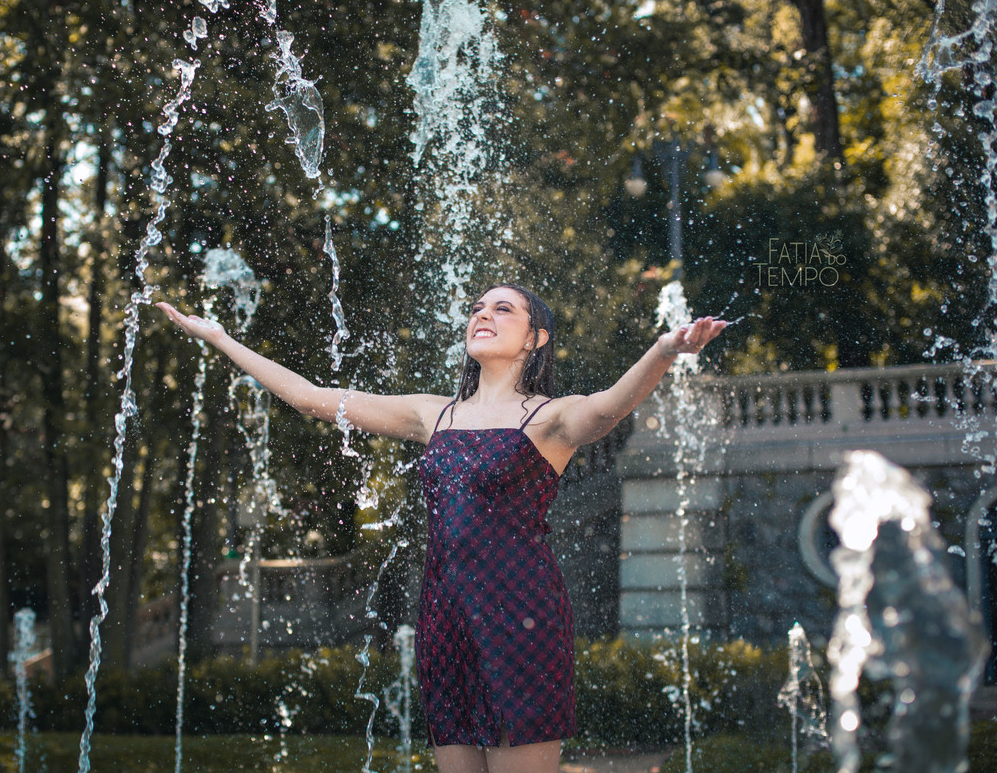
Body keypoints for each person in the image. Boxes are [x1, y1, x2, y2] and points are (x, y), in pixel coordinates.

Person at [157, 285, 726, 773]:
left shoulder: (550, 417)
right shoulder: (435, 414)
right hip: (445, 617)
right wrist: (220, 338)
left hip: (520, 617)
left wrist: (664, 350)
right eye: (478, 307)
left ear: (536, 339)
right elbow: (314, 400)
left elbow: (607, 410)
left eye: (504, 310)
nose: (483, 314)